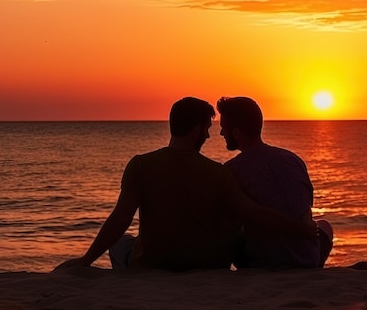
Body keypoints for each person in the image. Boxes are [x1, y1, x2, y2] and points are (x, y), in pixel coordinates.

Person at [54, 97, 318, 272]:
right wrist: (303, 229)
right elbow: (250, 213)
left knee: (121, 242)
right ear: (195, 130)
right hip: (203, 264)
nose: (211, 133)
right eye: (208, 128)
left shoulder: (140, 165)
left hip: (151, 265)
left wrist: (85, 261)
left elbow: (120, 218)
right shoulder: (219, 173)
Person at [216, 96, 333, 269]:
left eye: (223, 128)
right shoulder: (293, 160)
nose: (221, 133)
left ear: (236, 133)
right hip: (308, 258)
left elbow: (244, 216)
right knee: (325, 226)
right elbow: (304, 207)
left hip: (263, 261)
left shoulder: (232, 170)